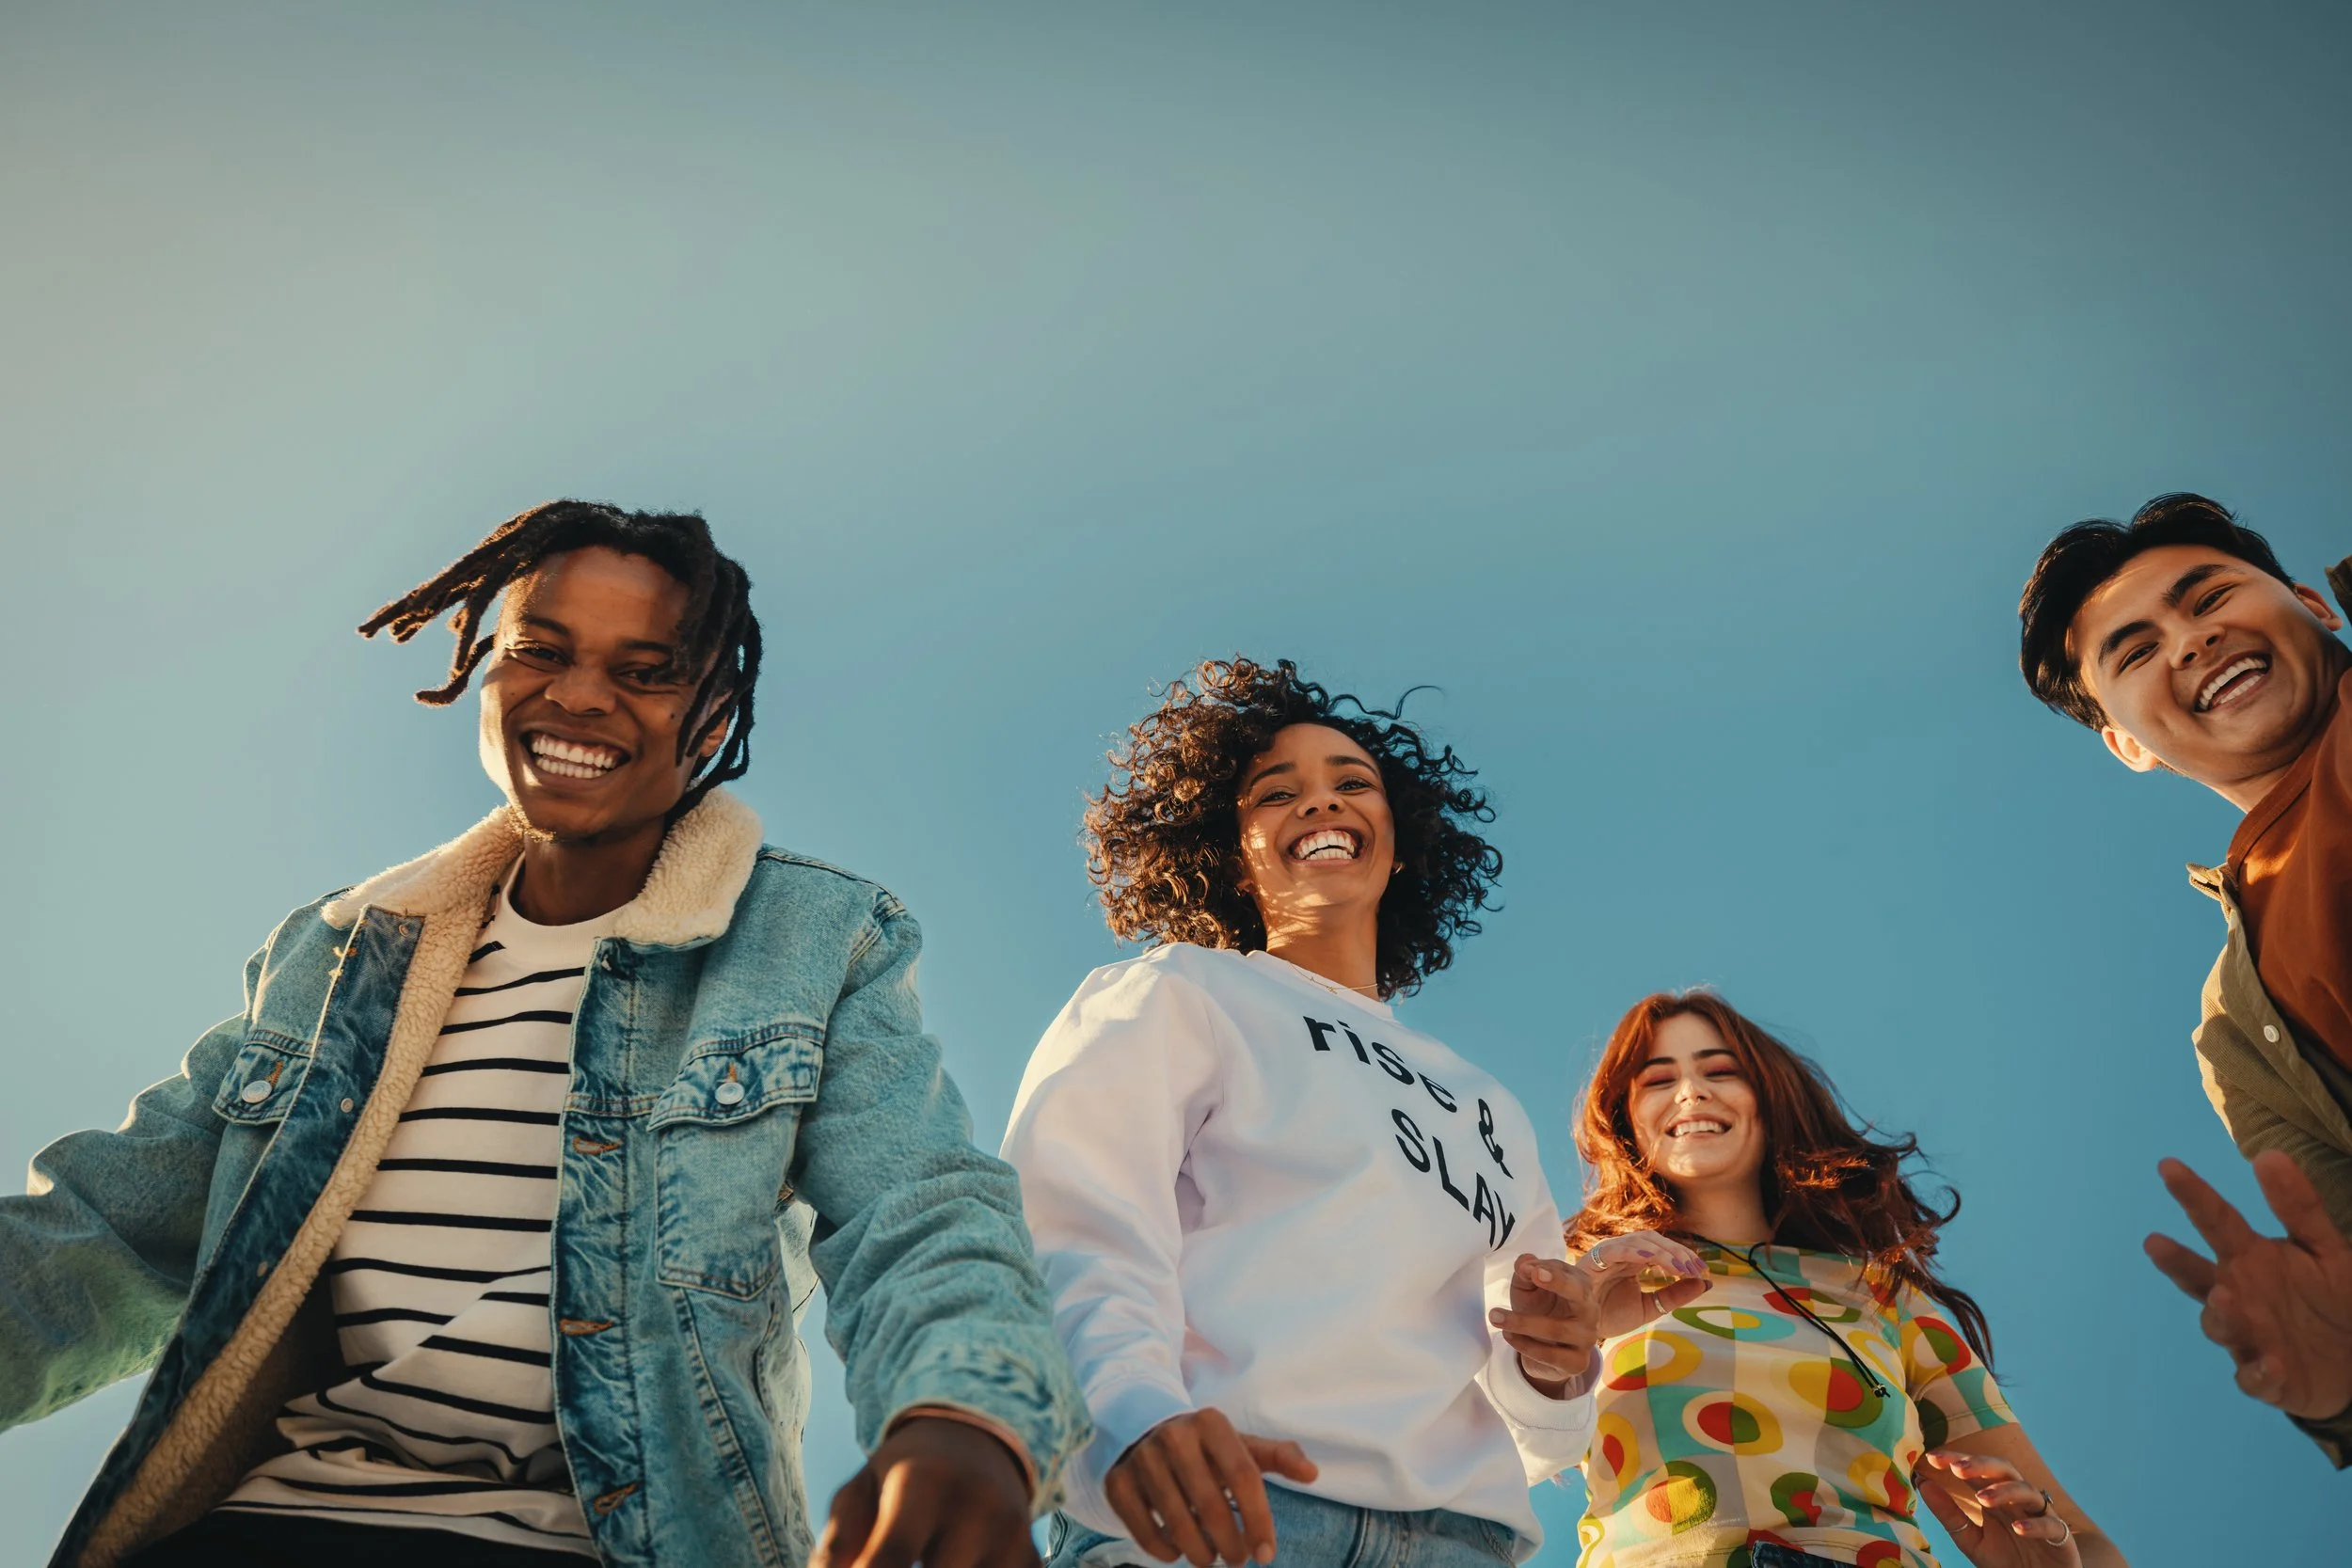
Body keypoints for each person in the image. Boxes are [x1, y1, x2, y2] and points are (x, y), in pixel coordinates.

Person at [0, 501, 1085, 1568]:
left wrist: (963, 1414)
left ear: (709, 722)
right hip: (257, 1529)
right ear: (489, 675)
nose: (577, 695)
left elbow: (916, 1206)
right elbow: (102, 1229)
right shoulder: (333, 958)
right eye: (540, 651)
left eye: (645, 668)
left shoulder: (812, 943)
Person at [1001, 657, 1710, 1568]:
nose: (1320, 803)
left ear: (1400, 839)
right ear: (1228, 851)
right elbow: (1072, 1229)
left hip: (1462, 1542)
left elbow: (1532, 1424)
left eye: (1352, 784)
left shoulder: (1484, 1102)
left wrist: (1559, 1356)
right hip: (1221, 1515)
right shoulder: (1179, 990)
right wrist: (1135, 1418)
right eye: (1275, 792)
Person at [2017, 493, 2352, 1462]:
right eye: (2134, 648)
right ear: (2125, 742)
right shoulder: (2235, 1028)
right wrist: (2337, 1377)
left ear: (2313, 605)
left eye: (2207, 596)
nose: (2192, 639)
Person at [1566, 990, 2124, 1568]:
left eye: (1720, 1070)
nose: (1690, 1090)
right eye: (1657, 1080)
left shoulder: (1881, 1295)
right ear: (1625, 1120)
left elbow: (2088, 1545)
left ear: (1770, 1100)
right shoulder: (1594, 1278)